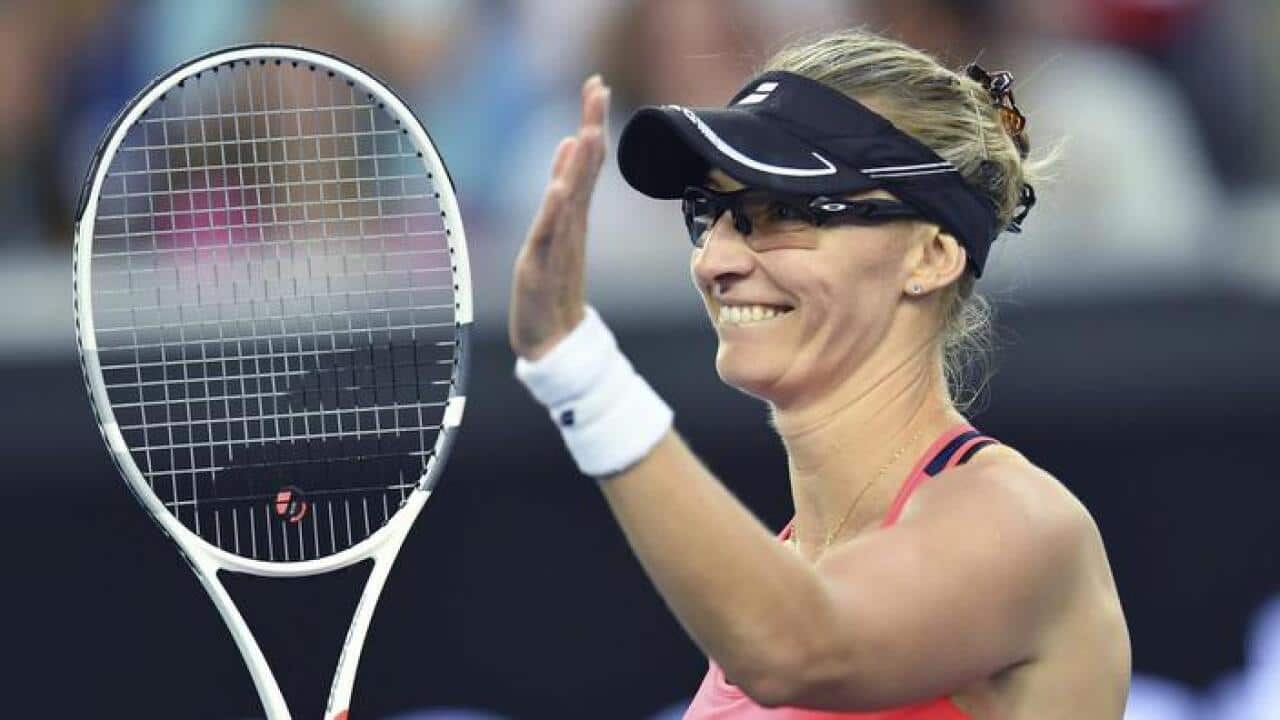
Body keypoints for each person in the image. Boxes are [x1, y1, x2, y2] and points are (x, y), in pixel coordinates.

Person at [508, 28, 1130, 718]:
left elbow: (799, 650)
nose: (714, 261)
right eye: (710, 213)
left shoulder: (1020, 523)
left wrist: (581, 372)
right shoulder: (782, 576)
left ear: (931, 256)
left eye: (782, 212)